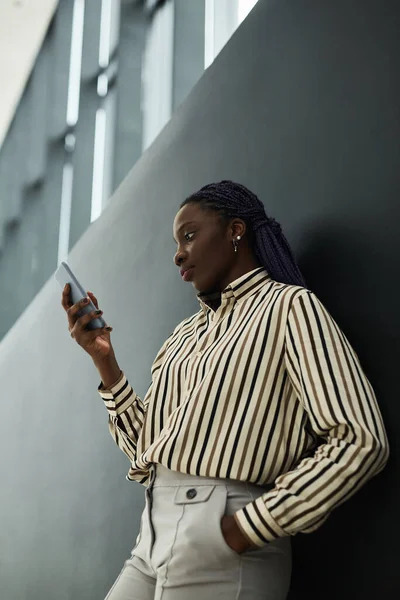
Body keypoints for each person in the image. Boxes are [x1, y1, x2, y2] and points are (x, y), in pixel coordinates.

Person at [61, 180, 389, 600]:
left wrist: (247, 527)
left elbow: (360, 440)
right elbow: (147, 451)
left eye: (190, 235)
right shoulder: (183, 335)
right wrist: (104, 360)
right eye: (176, 242)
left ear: (236, 230)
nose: (177, 253)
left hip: (224, 536)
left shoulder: (288, 306)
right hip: (150, 537)